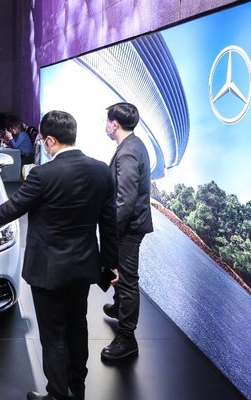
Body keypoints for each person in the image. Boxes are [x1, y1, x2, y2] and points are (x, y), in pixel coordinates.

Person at [0, 110, 118, 400]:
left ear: (50, 141)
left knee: (53, 334)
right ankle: (77, 388)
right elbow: (109, 222)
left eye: (41, 139)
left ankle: (58, 394)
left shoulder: (43, 174)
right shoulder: (101, 170)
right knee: (78, 327)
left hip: (48, 269)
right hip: (83, 266)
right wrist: (111, 264)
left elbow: (14, 207)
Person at [101, 102, 153, 361]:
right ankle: (119, 307)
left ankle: (127, 337)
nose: (105, 125)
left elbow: (125, 199)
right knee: (123, 277)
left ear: (115, 124)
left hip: (129, 228)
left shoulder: (128, 152)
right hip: (132, 224)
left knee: (128, 280)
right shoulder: (134, 144)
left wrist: (111, 233)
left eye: (107, 121)